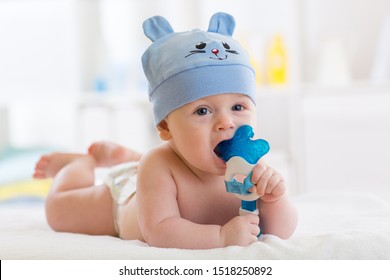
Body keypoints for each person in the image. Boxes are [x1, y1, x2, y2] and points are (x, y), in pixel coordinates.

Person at [33, 12, 297, 249]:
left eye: (238, 106)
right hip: (125, 197)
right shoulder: (159, 165)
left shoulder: (252, 167)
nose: (226, 123)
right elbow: (160, 232)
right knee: (59, 212)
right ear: (165, 128)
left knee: (148, 166)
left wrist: (275, 200)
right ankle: (77, 165)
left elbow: (280, 232)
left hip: (148, 175)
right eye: (203, 111)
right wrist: (221, 238)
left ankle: (127, 157)